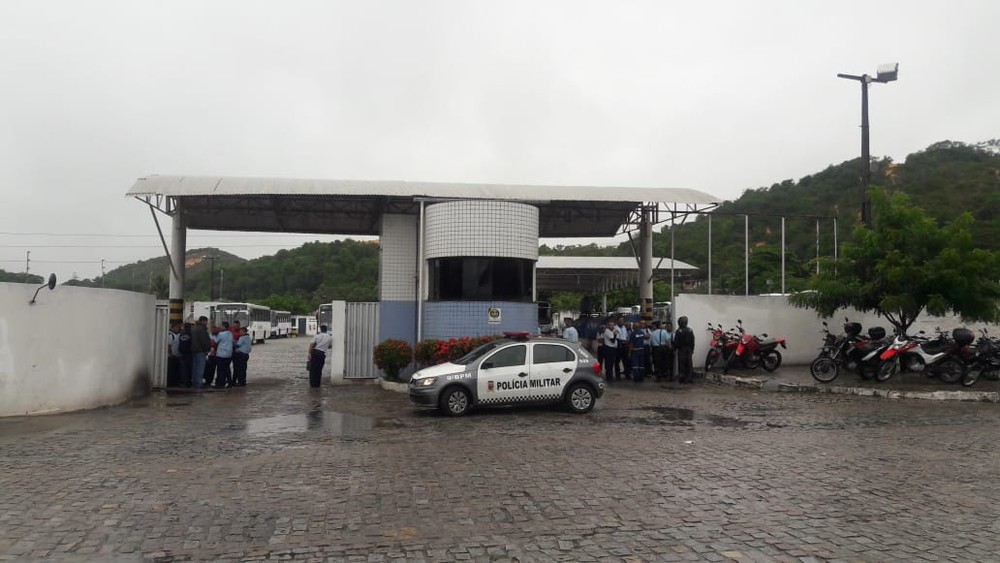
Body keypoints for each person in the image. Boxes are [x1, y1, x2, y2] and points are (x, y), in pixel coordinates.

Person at [190, 316, 212, 389]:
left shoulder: (193, 328)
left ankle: (194, 383)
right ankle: (199, 384)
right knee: (200, 368)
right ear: (203, 321)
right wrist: (207, 349)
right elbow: (204, 340)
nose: (207, 323)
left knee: (195, 367)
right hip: (200, 350)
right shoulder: (202, 329)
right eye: (206, 321)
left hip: (193, 350)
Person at [674, 315, 695, 383]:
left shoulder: (678, 331)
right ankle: (689, 377)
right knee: (689, 364)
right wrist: (692, 349)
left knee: (682, 364)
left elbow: (676, 342)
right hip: (689, 349)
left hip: (682, 349)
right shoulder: (690, 330)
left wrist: (675, 348)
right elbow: (693, 341)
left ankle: (682, 377)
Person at [214, 321, 234, 388]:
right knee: (227, 369)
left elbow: (216, 341)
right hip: (228, 354)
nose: (220, 327)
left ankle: (220, 383)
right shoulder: (230, 333)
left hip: (221, 354)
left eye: (221, 326)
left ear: (224, 326)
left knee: (220, 370)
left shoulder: (221, 334)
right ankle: (229, 382)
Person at [167, 322, 182, 387]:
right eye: (176, 327)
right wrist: (171, 354)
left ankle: (175, 382)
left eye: (178, 328)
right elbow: (169, 346)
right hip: (172, 356)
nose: (177, 329)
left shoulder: (178, 335)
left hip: (177, 356)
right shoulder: (170, 335)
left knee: (176, 370)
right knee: (171, 370)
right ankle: (171, 382)